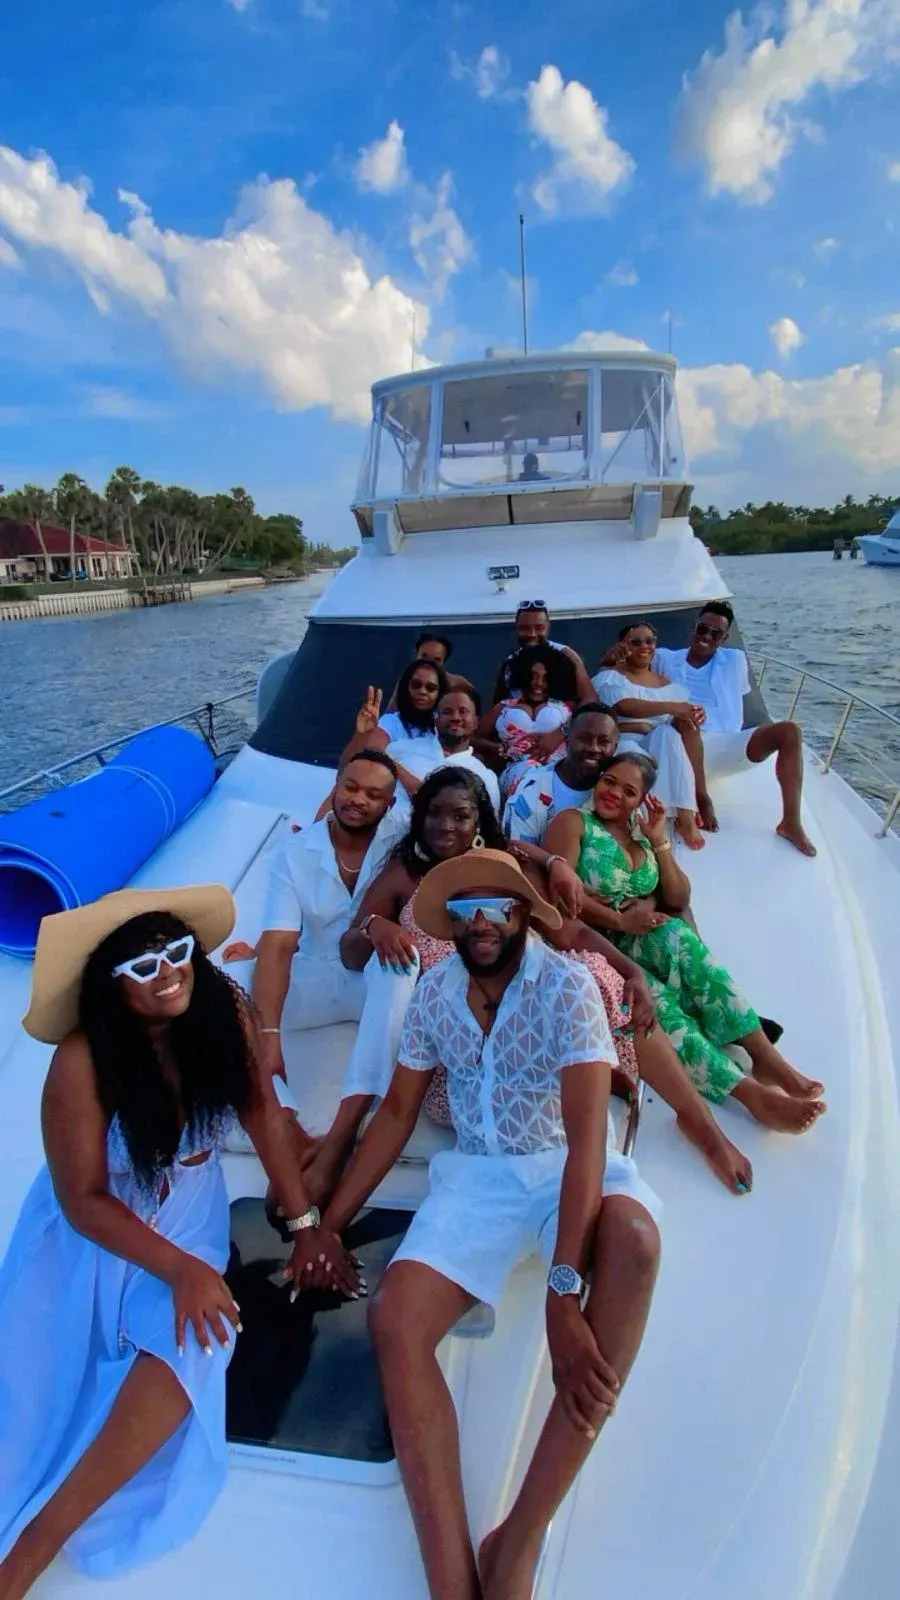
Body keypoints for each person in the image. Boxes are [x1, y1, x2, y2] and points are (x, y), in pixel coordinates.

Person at [292, 850, 663, 1600]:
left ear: (526, 913)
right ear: (451, 924)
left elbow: (588, 1141)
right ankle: (452, 1582)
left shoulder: (568, 986)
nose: (482, 923)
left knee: (635, 1241)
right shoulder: (436, 992)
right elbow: (398, 1113)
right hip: (480, 1177)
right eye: (466, 912)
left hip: (564, 1163)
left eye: (499, 907)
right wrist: (327, 1223)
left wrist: (563, 1293)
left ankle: (518, 1537)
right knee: (395, 1320)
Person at [0, 887, 334, 1595]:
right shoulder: (83, 1061)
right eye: (142, 966)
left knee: (199, 1341)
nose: (168, 973)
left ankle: (37, 1543)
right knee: (26, 1417)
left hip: (186, 1217)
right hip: (89, 1241)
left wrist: (304, 1223)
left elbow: (261, 1112)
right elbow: (82, 1200)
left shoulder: (224, 1013)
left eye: (177, 952)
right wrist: (180, 1271)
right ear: (110, 985)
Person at [337, 767, 754, 1197]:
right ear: (419, 816)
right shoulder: (404, 876)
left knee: (600, 978)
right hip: (461, 1049)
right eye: (434, 813)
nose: (446, 826)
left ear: (478, 821)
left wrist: (631, 972)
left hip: (530, 1021)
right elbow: (349, 953)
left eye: (461, 816)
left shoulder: (505, 866)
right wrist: (373, 926)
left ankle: (702, 1126)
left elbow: (569, 932)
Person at [544, 752, 827, 1135]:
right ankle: (749, 1094)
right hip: (592, 942)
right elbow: (561, 902)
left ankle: (764, 1055)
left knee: (680, 936)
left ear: (641, 799)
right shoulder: (574, 823)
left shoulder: (640, 832)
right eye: (609, 781)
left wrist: (659, 842)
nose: (614, 793)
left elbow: (678, 897)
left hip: (638, 934)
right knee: (654, 1000)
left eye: (629, 791)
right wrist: (619, 920)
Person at [250, 750, 416, 1148]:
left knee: (400, 968)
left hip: (374, 982)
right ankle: (285, 1119)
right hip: (315, 977)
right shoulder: (293, 854)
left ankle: (366, 1109)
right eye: (350, 787)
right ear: (335, 787)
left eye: (373, 795)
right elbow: (279, 945)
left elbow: (452, 807)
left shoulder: (403, 838)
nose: (358, 800)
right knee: (232, 990)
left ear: (390, 803)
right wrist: (269, 1036)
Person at [654, 601, 817, 857]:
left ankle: (791, 823)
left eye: (715, 633)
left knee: (789, 731)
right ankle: (701, 796)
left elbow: (739, 694)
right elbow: (628, 674)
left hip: (724, 744)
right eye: (702, 629)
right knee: (686, 721)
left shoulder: (735, 660)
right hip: (678, 746)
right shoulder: (664, 658)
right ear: (694, 627)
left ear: (725, 638)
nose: (707, 636)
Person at [592, 621, 706, 850]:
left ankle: (685, 815)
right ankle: (642, 823)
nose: (644, 646)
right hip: (625, 739)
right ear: (623, 646)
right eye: (635, 642)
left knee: (667, 734)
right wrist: (672, 707)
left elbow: (674, 721)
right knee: (632, 756)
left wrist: (693, 713)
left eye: (649, 641)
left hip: (658, 741)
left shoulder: (668, 684)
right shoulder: (610, 676)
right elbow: (624, 706)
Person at [504, 702, 619, 843]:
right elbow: (519, 853)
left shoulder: (619, 795)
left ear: (614, 748)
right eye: (584, 738)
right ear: (567, 740)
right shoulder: (530, 792)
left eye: (603, 741)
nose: (593, 748)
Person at [383, 686, 502, 813]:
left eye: (463, 711)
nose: (455, 717)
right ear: (436, 720)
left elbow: (488, 822)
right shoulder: (401, 750)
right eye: (447, 712)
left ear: (475, 722)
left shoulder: (485, 777)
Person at [481, 642, 577, 797]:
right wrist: (494, 746)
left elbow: (585, 726)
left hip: (557, 773)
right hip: (516, 774)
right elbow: (473, 738)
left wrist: (560, 732)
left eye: (546, 678)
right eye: (533, 676)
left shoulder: (565, 708)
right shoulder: (504, 707)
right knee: (528, 777)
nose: (538, 683)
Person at [491, 601, 595, 706]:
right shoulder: (509, 662)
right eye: (525, 628)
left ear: (548, 628)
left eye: (539, 628)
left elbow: (589, 699)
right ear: (516, 629)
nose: (532, 634)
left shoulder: (566, 655)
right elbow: (497, 704)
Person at [386, 633, 474, 711]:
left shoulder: (457, 683)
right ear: (415, 655)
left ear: (444, 661)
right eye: (424, 657)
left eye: (436, 660)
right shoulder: (407, 679)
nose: (429, 663)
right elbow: (391, 713)